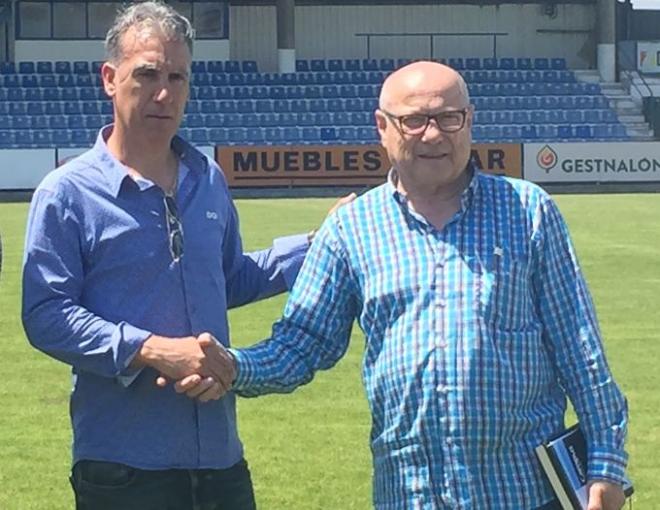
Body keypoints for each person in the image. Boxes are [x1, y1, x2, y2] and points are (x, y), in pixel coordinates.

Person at [201, 61, 629, 509]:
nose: (433, 134)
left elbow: (580, 350)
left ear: (470, 120)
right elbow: (302, 343)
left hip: (524, 493)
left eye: (449, 117)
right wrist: (234, 366)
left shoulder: (528, 212)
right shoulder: (352, 229)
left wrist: (606, 466)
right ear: (382, 128)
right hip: (411, 495)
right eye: (414, 121)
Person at [22, 2, 352, 508]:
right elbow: (46, 313)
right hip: (124, 466)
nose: (164, 93)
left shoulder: (208, 179)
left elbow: (230, 278)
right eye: (148, 74)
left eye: (178, 77)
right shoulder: (66, 193)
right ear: (110, 78)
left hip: (221, 461)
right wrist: (148, 349)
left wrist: (316, 243)